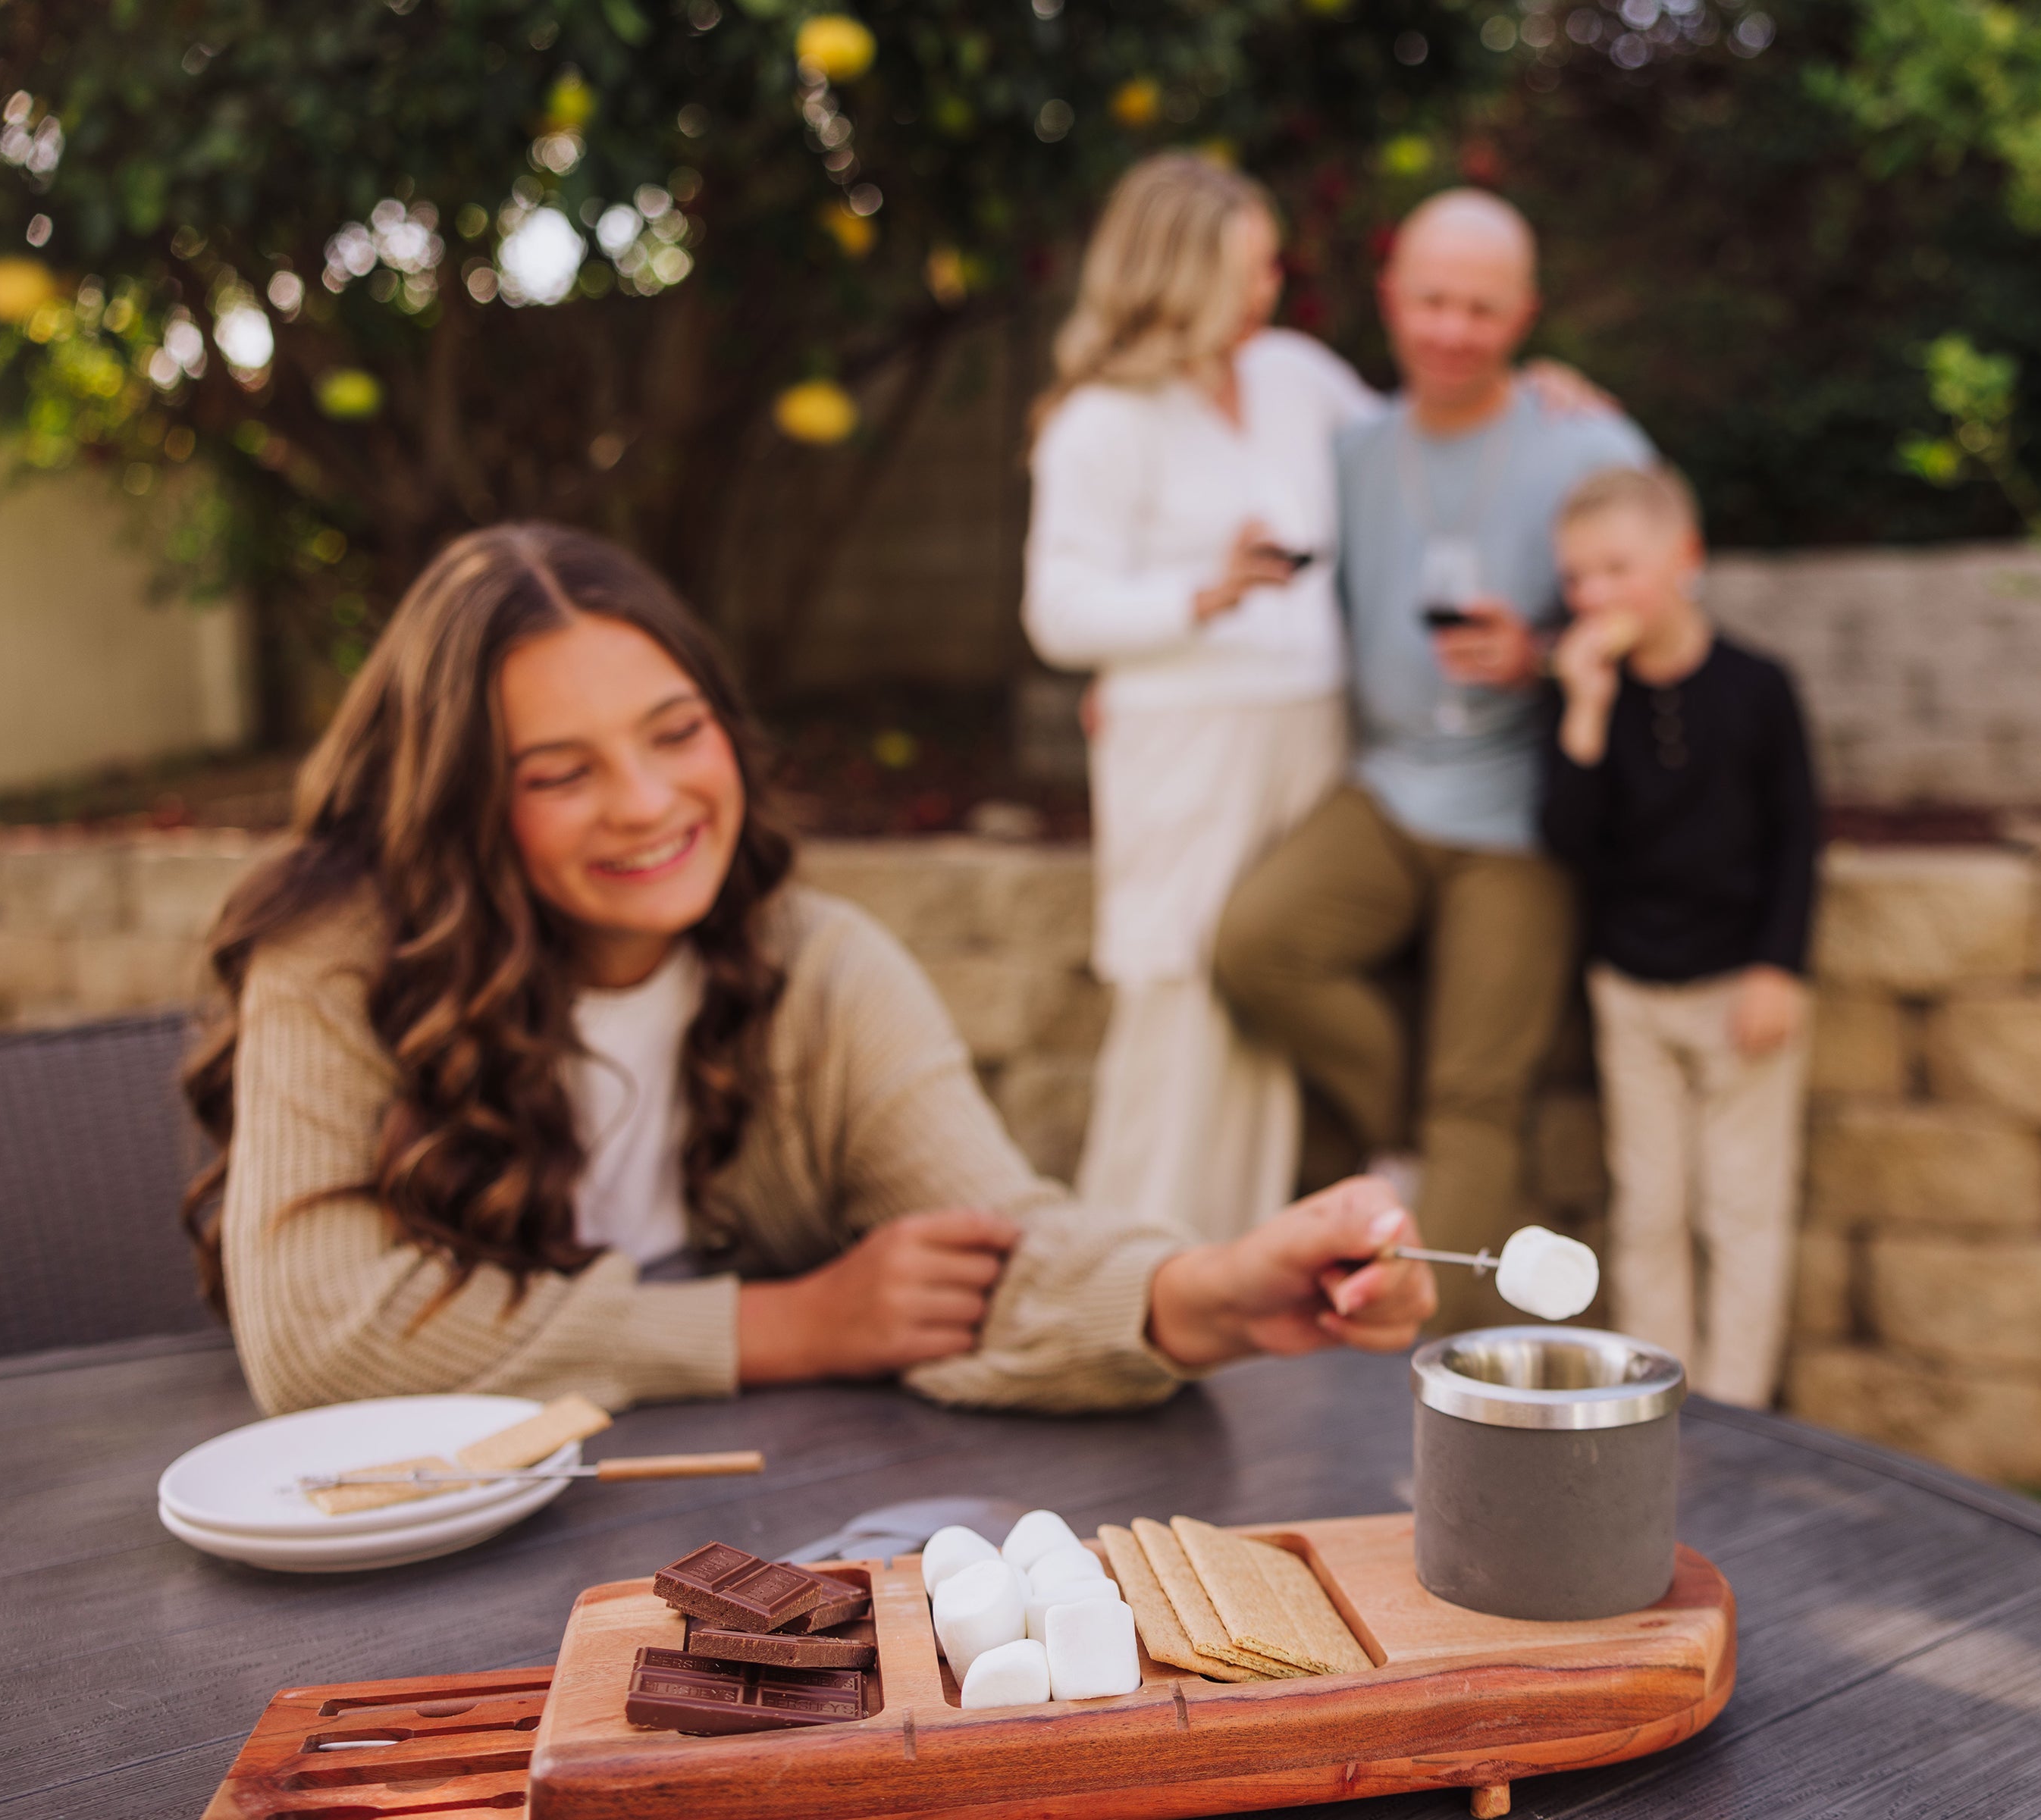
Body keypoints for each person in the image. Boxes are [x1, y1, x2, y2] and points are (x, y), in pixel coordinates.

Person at [181, 522, 1434, 1417]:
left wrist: (1199, 1295)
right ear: (453, 803)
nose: (648, 803)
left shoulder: (822, 972)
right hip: (403, 1561)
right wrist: (786, 1325)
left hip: (738, 1553)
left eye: (677, 734)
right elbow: (319, 1339)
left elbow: (985, 1251)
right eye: (560, 773)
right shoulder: (334, 958)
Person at [1214, 190, 1653, 1333]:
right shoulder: (1348, 445)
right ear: (1391, 300)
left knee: (1482, 1098)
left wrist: (1545, 653)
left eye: (1482, 308)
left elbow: (1664, 608)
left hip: (1522, 812)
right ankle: (1406, 1130)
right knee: (1258, 946)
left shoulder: (1586, 442)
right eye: (1434, 302)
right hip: (1388, 785)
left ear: (1527, 314)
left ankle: (1426, 1368)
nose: (1454, 330)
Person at [1023, 155, 1377, 1245]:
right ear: (1180, 275)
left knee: (1264, 1009)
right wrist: (1202, 593)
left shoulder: (1300, 379)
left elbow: (1414, 453)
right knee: (1176, 1007)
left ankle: (1240, 1298)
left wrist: (1545, 398)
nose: (1268, 289)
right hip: (1184, 743)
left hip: (1311, 729)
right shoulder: (1101, 423)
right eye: (1249, 270)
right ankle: (1127, 1284)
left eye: (1270, 267)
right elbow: (1060, 612)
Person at [1539, 466, 1823, 1407]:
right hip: (1632, 986)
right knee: (1649, 1207)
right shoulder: (1588, 695)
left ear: (1684, 560)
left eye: (1618, 568)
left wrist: (1779, 967)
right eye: (1578, 578)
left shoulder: (1756, 687)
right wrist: (1581, 705)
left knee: (1740, 1206)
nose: (1596, 596)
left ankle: (1740, 1406)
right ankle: (1663, 1402)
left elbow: (1797, 837)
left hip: (1736, 983)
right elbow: (1566, 839)